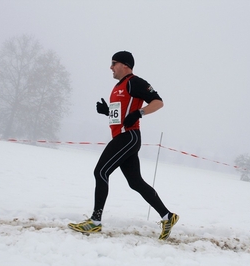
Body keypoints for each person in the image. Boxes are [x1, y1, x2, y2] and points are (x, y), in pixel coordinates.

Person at [68, 51, 179, 240]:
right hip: (123, 137)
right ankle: (168, 216)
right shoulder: (118, 87)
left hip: (128, 137)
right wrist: (107, 111)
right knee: (135, 182)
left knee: (100, 172)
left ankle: (95, 222)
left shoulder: (134, 82)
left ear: (125, 65)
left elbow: (158, 102)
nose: (110, 67)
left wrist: (139, 113)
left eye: (114, 63)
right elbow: (121, 114)